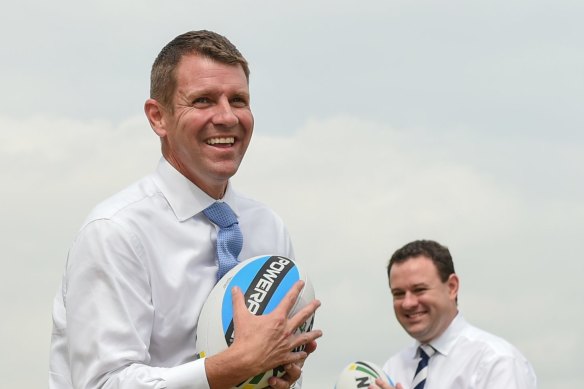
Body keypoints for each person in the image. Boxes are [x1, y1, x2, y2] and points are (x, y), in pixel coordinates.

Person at [49, 30, 322, 389]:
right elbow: (103, 383)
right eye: (204, 100)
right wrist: (230, 369)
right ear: (157, 117)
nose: (227, 117)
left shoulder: (267, 228)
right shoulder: (115, 232)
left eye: (239, 100)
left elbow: (276, 366)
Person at [371, 240, 536, 389]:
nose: (408, 303)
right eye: (398, 293)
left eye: (419, 290)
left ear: (452, 287)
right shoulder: (391, 369)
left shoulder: (496, 362)